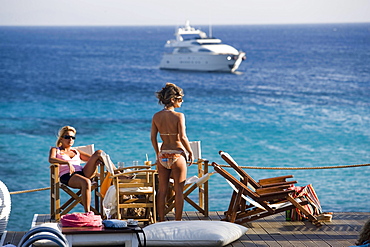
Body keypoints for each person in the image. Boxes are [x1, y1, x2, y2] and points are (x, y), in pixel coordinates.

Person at [151, 83, 193, 221]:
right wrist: (190, 152)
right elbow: (182, 137)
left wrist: (158, 153)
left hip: (163, 156)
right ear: (173, 100)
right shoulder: (179, 116)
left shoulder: (156, 116)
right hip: (177, 155)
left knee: (162, 190)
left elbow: (153, 137)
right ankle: (178, 221)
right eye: (180, 99)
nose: (182, 102)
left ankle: (161, 220)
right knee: (178, 190)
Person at [48, 125, 103, 213]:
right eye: (67, 137)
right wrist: (67, 163)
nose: (70, 140)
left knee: (99, 153)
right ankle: (87, 212)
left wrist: (98, 162)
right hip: (68, 176)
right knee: (86, 182)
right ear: (61, 138)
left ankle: (116, 173)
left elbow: (93, 158)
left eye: (73, 137)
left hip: (82, 173)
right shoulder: (56, 150)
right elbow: (51, 159)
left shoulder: (76, 151)